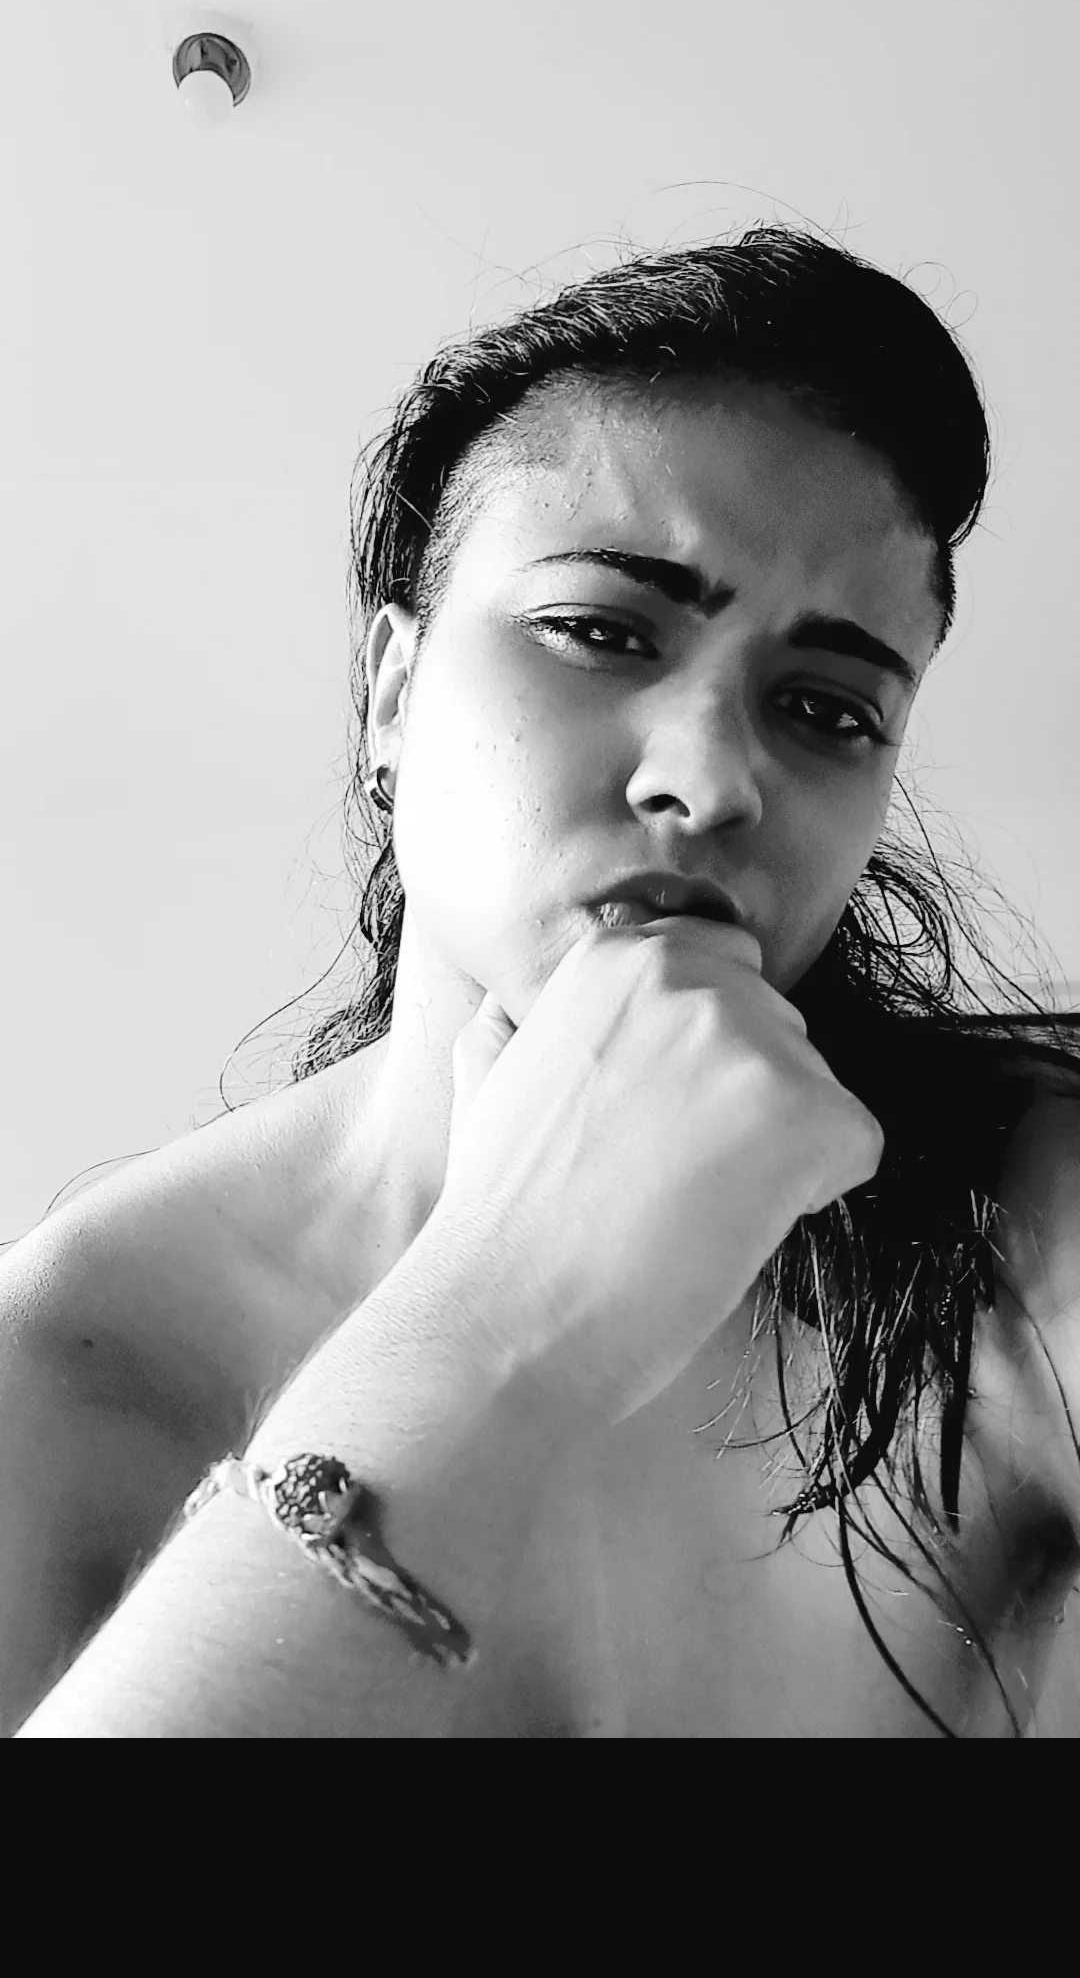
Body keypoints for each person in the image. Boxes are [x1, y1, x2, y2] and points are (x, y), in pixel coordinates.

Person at [7, 225, 1080, 1738]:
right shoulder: (58, 1373)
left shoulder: (1018, 1234)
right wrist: (500, 1313)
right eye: (600, 632)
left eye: (829, 710)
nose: (714, 781)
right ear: (391, 694)